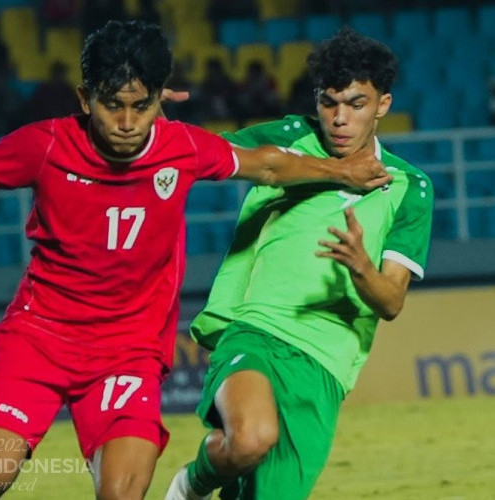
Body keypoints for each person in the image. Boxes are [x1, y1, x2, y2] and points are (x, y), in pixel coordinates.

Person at [0, 21, 388, 500]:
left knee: (124, 491)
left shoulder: (182, 147)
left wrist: (343, 172)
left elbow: (271, 165)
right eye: (112, 106)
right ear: (86, 98)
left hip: (129, 349)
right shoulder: (46, 146)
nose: (127, 123)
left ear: (160, 99)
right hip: (39, 337)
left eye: (140, 105)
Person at [164, 26, 434, 500]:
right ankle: (189, 484)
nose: (339, 118)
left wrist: (359, 267)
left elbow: (391, 301)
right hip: (257, 329)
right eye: (329, 103)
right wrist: (152, 113)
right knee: (250, 438)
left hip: (326, 364)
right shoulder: (290, 138)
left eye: (356, 104)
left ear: (383, 105)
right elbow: (198, 153)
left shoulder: (411, 187)